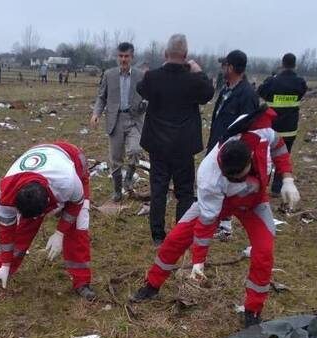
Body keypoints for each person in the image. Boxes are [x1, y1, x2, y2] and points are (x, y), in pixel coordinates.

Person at [130, 105, 299, 327]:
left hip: (254, 203)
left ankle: (253, 310)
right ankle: (152, 285)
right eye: (233, 179)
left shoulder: (261, 134)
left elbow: (279, 146)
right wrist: (198, 261)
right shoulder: (209, 178)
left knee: (264, 251)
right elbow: (205, 225)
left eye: (241, 176)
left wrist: (287, 179)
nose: (237, 181)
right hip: (221, 201)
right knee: (175, 240)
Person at [0, 142, 97, 301]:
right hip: (44, 164)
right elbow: (6, 232)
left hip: (74, 161)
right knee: (24, 229)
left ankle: (82, 282)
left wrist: (60, 232)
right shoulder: (5, 197)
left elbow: (77, 203)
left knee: (78, 227)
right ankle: (1, 271)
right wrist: (5, 264)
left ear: (49, 200)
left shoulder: (67, 181)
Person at [137, 34, 215, 244]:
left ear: (165, 54)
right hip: (183, 144)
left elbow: (141, 89)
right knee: (185, 192)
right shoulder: (193, 79)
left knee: (158, 190)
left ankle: (157, 235)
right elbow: (209, 93)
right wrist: (199, 71)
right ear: (186, 55)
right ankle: (180, 234)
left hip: (158, 144)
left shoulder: (153, 77)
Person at [208, 50, 260, 239]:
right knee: (216, 184)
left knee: (228, 185)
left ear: (231, 67)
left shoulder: (246, 94)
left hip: (232, 152)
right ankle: (217, 221)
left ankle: (225, 226)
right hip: (218, 145)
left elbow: (248, 127)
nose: (222, 68)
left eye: (225, 65)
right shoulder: (226, 89)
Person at [91, 42, 146, 202]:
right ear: (117, 57)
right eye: (120, 56)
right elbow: (102, 97)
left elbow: (147, 95)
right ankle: (117, 190)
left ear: (132, 57)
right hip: (115, 120)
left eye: (126, 56)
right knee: (115, 159)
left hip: (134, 119)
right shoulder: (109, 75)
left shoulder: (140, 75)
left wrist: (146, 103)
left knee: (135, 151)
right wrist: (96, 113)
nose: (123, 59)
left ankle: (128, 179)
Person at [257, 52, 306, 196]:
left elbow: (260, 92)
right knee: (283, 156)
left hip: (272, 127)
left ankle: (262, 185)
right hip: (290, 128)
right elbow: (301, 93)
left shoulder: (272, 81)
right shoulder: (300, 82)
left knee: (266, 157)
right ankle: (277, 188)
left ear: (282, 64)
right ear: (294, 65)